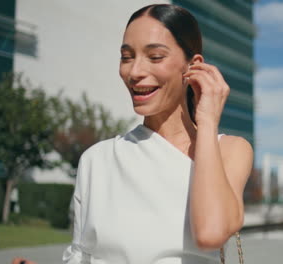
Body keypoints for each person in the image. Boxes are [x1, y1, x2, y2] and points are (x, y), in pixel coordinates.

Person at [62, 4, 253, 263]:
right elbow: (79, 257)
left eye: (155, 57)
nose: (135, 72)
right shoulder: (96, 160)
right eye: (127, 57)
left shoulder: (229, 150)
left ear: (193, 65)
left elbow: (211, 233)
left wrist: (207, 120)